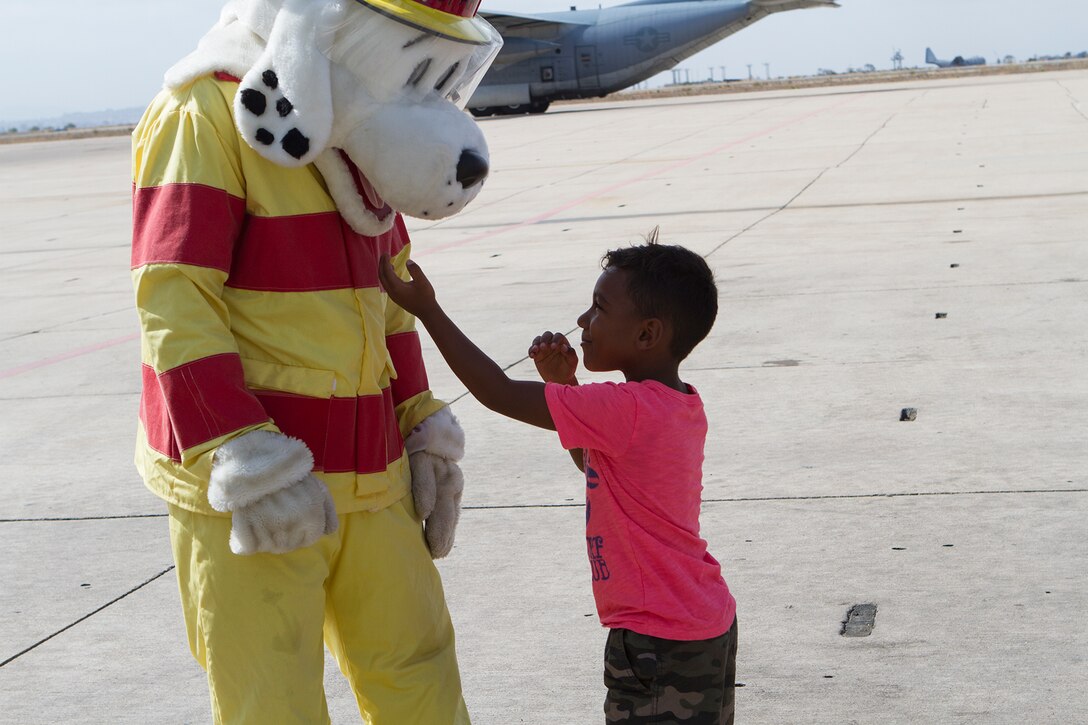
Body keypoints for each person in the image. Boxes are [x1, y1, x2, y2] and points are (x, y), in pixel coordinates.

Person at [131, 1, 504, 722]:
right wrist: (238, 452)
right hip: (258, 487)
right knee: (272, 696)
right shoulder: (203, 111)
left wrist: (417, 416)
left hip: (374, 469)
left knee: (419, 668)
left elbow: (391, 287)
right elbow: (174, 300)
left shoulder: (362, 125)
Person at [378, 231, 739, 724]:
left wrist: (428, 311)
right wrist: (565, 386)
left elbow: (497, 391)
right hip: (701, 620)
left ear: (647, 334)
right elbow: (596, 466)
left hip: (658, 638)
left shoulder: (623, 408)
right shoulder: (677, 402)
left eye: (599, 308)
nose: (582, 321)